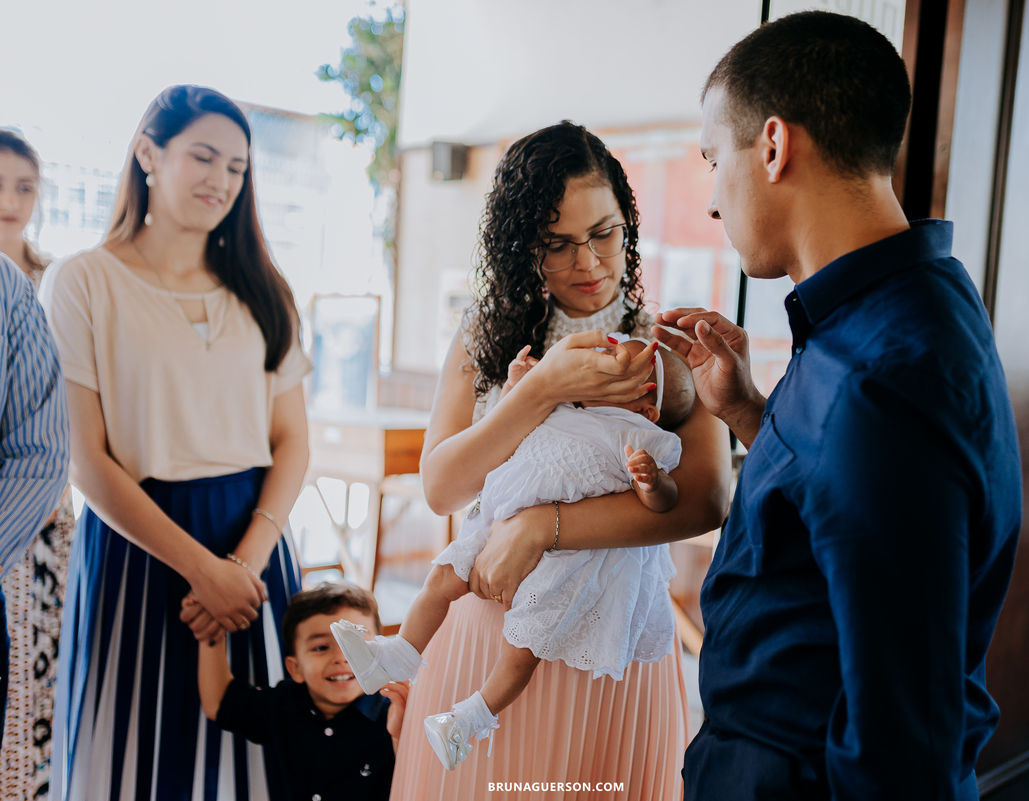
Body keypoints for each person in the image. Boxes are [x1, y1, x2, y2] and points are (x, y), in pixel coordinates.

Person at [654, 13, 1023, 799]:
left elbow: (899, 737)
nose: (714, 201)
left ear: (776, 146)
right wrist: (750, 412)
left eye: (716, 160)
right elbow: (841, 510)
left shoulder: (878, 379)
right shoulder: (907, 301)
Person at [388, 120, 731, 799]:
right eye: (558, 244)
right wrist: (540, 390)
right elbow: (441, 487)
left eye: (604, 232)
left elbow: (704, 498)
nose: (589, 262)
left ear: (627, 224)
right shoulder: (483, 337)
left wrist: (542, 525)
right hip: (489, 630)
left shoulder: (666, 346)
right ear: (523, 248)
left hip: (615, 645)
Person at [40, 85, 312, 799]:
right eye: (204, 156)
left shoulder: (265, 292)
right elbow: (84, 458)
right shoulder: (82, 281)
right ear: (147, 153)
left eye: (237, 166)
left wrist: (241, 571)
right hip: (140, 552)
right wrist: (202, 570)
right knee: (134, 761)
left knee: (256, 764)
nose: (222, 179)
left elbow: (292, 443)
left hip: (254, 551)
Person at [334, 337, 695, 770]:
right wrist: (518, 389)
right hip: (495, 524)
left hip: (568, 560)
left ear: (646, 406)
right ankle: (396, 654)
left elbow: (672, 503)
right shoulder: (565, 406)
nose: (605, 358)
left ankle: (470, 718)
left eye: (621, 361)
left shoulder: (641, 437)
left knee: (522, 648)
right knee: (440, 578)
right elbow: (507, 432)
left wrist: (653, 483)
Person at [0, 124, 78, 800]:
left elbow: (46, 427)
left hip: (23, 518)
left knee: (34, 666)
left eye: (25, 185)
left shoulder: (38, 279)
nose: (10, 199)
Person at [194, 582, 408, 801]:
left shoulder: (396, 713)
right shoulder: (283, 704)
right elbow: (219, 703)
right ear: (295, 669)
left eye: (356, 645)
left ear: (381, 652)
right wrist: (210, 623)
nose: (342, 658)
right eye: (321, 647)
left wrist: (401, 736)